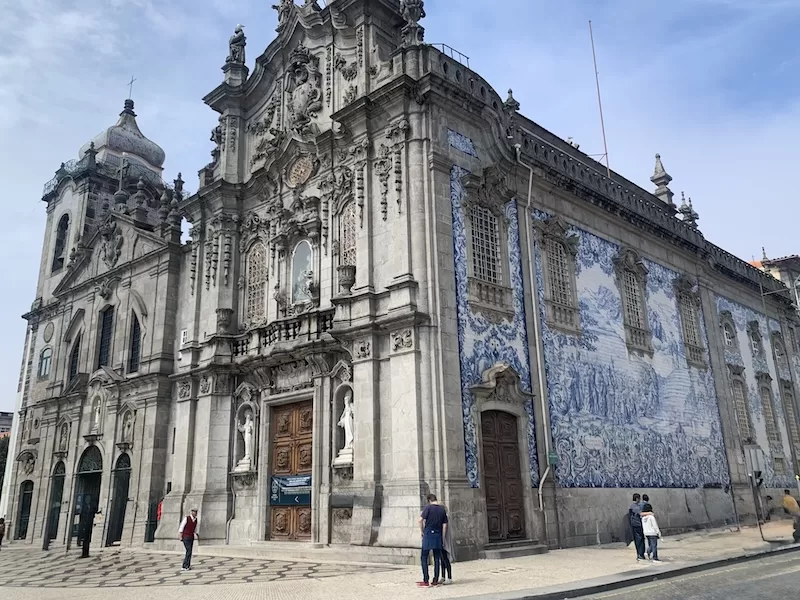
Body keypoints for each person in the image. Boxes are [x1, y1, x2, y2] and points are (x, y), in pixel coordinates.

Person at [417, 494, 448, 587]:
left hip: (428, 534)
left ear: (429, 500)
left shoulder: (428, 508)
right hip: (438, 535)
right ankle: (435, 580)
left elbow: (420, 520)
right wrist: (442, 537)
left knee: (424, 557)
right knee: (437, 558)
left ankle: (426, 580)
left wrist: (422, 531)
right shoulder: (442, 509)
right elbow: (445, 525)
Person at [628, 493, 646, 561]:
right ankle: (640, 555)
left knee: (639, 540)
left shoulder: (632, 506)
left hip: (635, 525)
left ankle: (640, 554)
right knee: (639, 540)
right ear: (637, 498)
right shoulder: (635, 507)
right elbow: (640, 513)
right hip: (637, 525)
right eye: (639, 498)